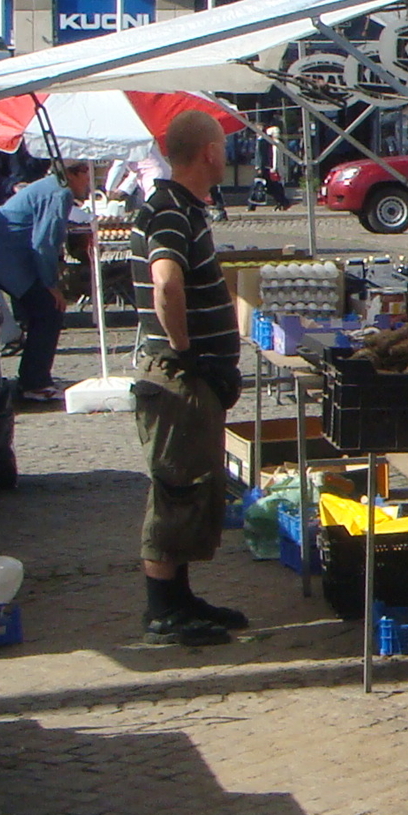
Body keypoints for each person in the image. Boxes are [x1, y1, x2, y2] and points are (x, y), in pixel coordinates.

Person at [131, 110, 247, 648]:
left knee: (192, 484)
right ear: (207, 153)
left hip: (190, 375)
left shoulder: (183, 207)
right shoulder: (168, 210)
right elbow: (166, 283)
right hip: (178, 377)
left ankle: (179, 598)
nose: (226, 154)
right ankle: (162, 611)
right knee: (176, 487)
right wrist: (188, 353)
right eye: (221, 146)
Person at [0, 158, 94, 404]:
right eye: (86, 173)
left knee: (41, 310)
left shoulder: (52, 188)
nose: (89, 180)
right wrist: (51, 285)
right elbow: (44, 243)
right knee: (48, 309)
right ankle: (35, 383)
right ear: (73, 174)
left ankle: (34, 378)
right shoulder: (59, 193)